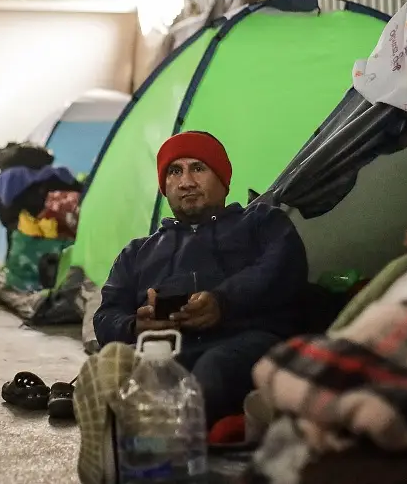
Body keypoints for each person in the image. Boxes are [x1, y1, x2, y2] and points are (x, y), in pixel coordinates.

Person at [92, 131, 308, 426]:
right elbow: (106, 315)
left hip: (246, 339)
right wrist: (134, 325)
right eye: (175, 171)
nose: (186, 182)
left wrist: (223, 301)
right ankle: (133, 426)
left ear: (222, 178)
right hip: (166, 348)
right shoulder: (137, 252)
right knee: (113, 367)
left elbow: (284, 267)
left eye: (198, 168)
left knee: (212, 371)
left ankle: (153, 433)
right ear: (164, 185)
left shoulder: (261, 222)